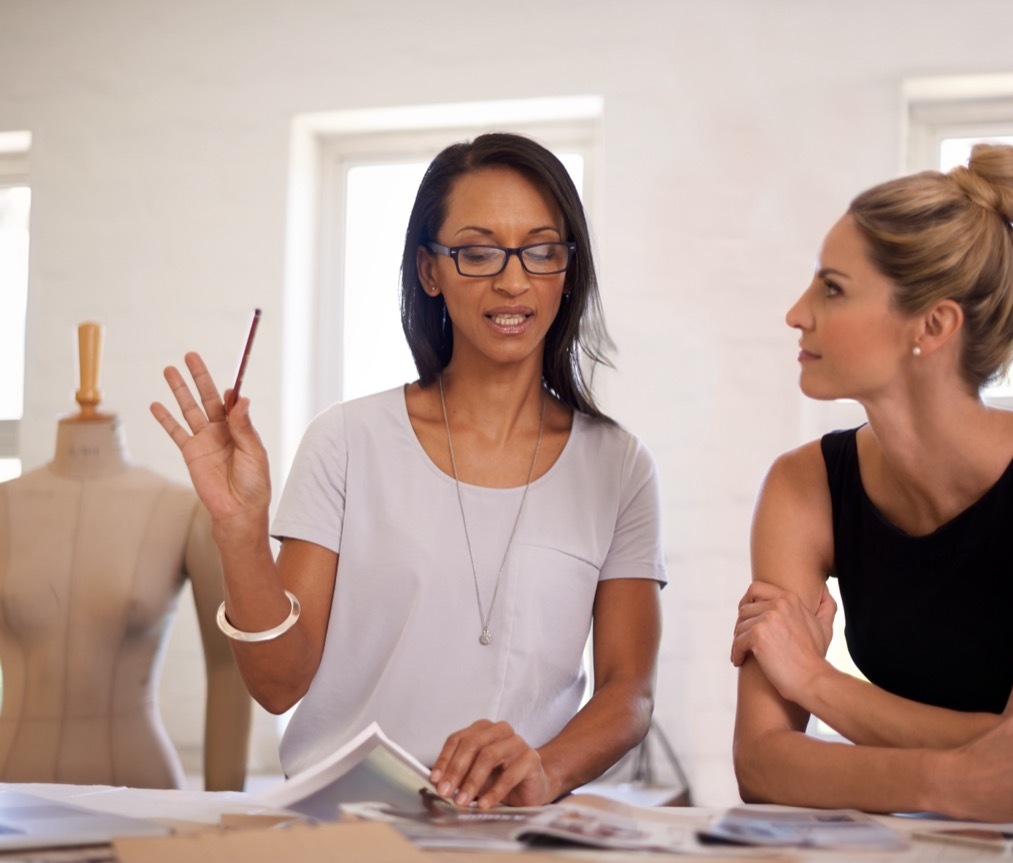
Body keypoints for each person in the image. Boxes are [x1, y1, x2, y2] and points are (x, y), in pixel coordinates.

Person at [152, 133, 666, 810]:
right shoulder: (347, 441)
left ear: (567, 267)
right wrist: (240, 532)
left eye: (541, 250)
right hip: (346, 832)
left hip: (515, 836)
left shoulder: (618, 465)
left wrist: (544, 767)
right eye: (479, 252)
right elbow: (279, 684)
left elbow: (629, 690)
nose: (514, 281)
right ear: (430, 270)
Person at [731, 144, 1013, 821]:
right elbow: (762, 764)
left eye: (832, 287)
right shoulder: (802, 485)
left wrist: (817, 682)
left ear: (932, 325)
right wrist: (952, 782)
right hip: (928, 851)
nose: (797, 312)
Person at [0, 325, 250, 791]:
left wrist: (223, 814)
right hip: (11, 794)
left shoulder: (182, 509)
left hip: (140, 792)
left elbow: (228, 667)